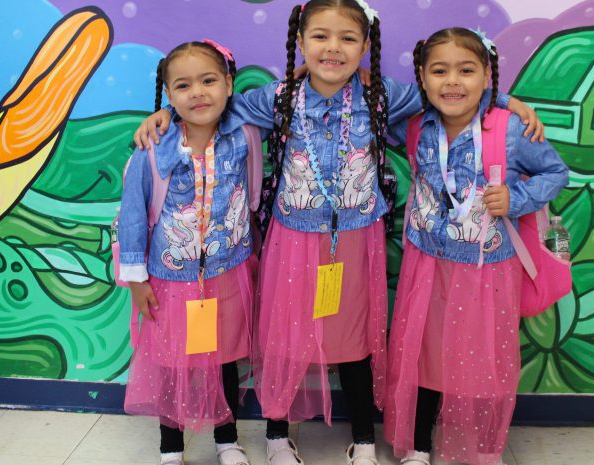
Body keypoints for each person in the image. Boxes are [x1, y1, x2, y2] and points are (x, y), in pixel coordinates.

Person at [131, 3, 543, 465]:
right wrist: (166, 113)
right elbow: (214, 108)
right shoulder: (278, 98)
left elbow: (443, 93)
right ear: (302, 43)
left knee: (357, 339)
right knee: (284, 338)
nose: (333, 48)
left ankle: (364, 439)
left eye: (348, 38)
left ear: (365, 47)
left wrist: (503, 101)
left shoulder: (382, 96)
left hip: (356, 238)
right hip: (292, 239)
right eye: (321, 37)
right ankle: (276, 435)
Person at [382, 27, 569, 465]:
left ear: (487, 76)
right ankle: (419, 447)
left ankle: (481, 448)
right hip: (426, 263)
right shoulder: (413, 125)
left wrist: (517, 199)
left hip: (487, 271)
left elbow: (555, 173)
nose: (452, 82)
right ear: (423, 80)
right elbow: (369, 95)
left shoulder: (510, 129)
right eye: (439, 71)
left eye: (466, 71)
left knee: (483, 360)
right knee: (424, 355)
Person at [118, 39, 260, 465]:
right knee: (172, 363)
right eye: (183, 86)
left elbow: (250, 201)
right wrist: (136, 281)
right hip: (170, 278)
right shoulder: (154, 149)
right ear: (169, 95)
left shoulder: (245, 134)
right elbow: (130, 214)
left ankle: (227, 438)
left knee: (223, 360)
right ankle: (171, 444)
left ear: (229, 84)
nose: (197, 92)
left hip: (227, 271)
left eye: (209, 81)